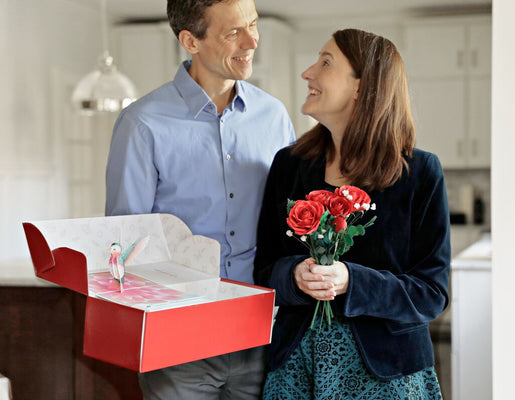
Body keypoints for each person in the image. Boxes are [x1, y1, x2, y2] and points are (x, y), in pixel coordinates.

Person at [105, 0, 295, 398]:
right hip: (177, 341)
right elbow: (124, 242)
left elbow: (289, 225)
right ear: (190, 41)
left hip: (260, 335)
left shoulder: (274, 117)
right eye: (233, 32)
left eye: (253, 25)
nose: (252, 41)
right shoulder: (142, 123)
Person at [254, 28, 450, 399]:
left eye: (325, 63)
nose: (308, 73)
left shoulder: (421, 173)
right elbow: (264, 269)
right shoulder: (288, 165)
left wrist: (351, 280)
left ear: (363, 87)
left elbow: (431, 294)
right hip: (297, 368)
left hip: (389, 376)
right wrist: (294, 275)